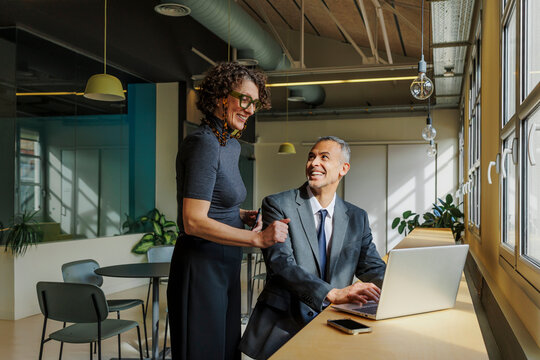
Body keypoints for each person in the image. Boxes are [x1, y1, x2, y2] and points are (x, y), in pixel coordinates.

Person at [167, 62, 289, 360]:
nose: (250, 109)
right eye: (244, 99)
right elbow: (193, 221)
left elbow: (214, 205)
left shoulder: (230, 145)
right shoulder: (204, 143)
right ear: (221, 96)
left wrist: (240, 215)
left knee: (226, 351)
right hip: (200, 265)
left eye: (255, 103)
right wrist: (257, 240)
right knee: (203, 353)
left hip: (226, 262)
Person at [239, 136, 387, 359]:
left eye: (324, 157)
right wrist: (332, 293)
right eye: (311, 157)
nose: (314, 163)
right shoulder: (277, 204)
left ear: (343, 168)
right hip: (282, 325)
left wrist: (399, 289)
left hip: (332, 323)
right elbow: (281, 265)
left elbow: (372, 267)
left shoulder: (357, 217)